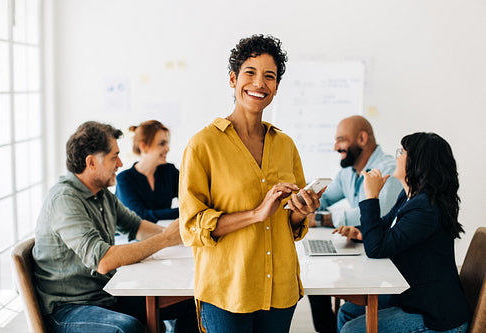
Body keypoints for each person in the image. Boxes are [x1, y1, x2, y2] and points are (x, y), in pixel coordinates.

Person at [179, 34, 322, 333]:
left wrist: (302, 210)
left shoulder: (285, 145)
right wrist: (257, 213)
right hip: (227, 291)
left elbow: (289, 221)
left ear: (276, 87)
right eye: (250, 73)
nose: (259, 84)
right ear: (233, 79)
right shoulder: (202, 145)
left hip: (279, 289)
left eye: (269, 77)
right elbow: (192, 227)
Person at [32, 121, 199, 333]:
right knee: (126, 329)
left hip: (104, 296)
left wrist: (180, 235)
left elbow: (137, 226)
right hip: (68, 308)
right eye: (114, 157)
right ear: (91, 162)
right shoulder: (64, 200)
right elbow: (104, 261)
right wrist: (165, 239)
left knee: (190, 303)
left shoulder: (101, 194)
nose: (120, 162)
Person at [336, 132, 471, 333]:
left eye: (402, 152)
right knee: (347, 312)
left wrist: (370, 196)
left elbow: (377, 249)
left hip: (436, 316)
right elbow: (385, 229)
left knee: (351, 329)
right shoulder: (409, 196)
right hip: (413, 295)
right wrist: (361, 233)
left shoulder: (425, 208)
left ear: (417, 161)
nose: (397, 156)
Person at [308, 115, 403, 333]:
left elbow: (374, 214)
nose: (335, 147)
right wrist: (306, 199)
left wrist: (323, 218)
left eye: (341, 140)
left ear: (361, 138)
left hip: (385, 262)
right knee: (315, 280)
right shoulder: (347, 173)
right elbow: (324, 199)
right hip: (363, 249)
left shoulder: (387, 169)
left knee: (322, 285)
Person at [116, 120, 179, 222]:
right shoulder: (124, 179)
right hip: (131, 237)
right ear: (143, 147)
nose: (167, 148)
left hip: (164, 232)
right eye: (162, 143)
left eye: (167, 143)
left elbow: (190, 203)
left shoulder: (170, 171)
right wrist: (180, 212)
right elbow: (139, 217)